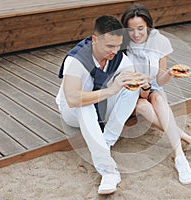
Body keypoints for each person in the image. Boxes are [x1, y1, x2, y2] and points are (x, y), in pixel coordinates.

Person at [121, 4, 191, 184]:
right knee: (142, 104)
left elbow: (159, 80)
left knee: (157, 99)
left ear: (148, 26)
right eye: (131, 30)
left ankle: (179, 156)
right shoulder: (122, 43)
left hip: (151, 88)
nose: (136, 34)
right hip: (129, 93)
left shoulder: (160, 42)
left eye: (140, 28)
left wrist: (169, 74)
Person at [56, 15, 147, 195]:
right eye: (110, 46)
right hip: (73, 111)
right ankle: (109, 172)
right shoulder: (76, 60)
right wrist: (112, 90)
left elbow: (140, 91)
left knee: (131, 89)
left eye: (118, 45)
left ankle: (106, 141)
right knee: (84, 103)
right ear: (95, 40)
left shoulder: (118, 57)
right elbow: (73, 99)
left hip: (101, 107)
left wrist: (144, 85)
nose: (115, 51)